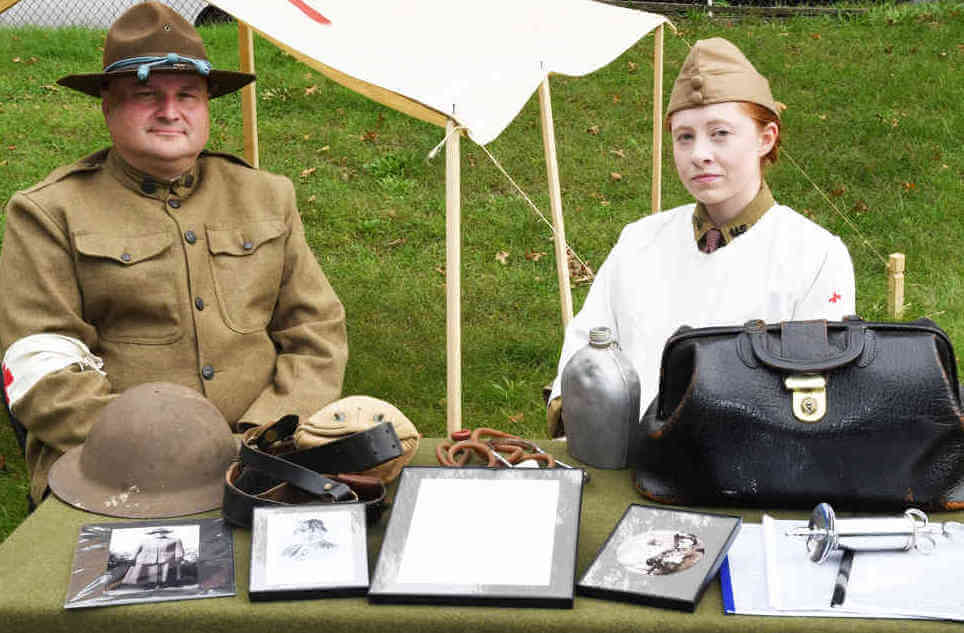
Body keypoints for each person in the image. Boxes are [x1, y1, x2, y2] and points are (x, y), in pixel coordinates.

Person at [0, 2, 347, 507]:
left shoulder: (266, 195)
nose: (170, 111)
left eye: (187, 94)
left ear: (206, 105)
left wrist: (266, 436)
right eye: (146, 95)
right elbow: (39, 367)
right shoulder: (50, 211)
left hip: (266, 453)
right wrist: (159, 450)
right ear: (108, 107)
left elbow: (316, 332)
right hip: (112, 469)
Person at [547, 37, 855, 436]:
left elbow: (816, 395)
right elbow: (586, 349)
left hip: (751, 474)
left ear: (766, 138)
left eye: (720, 133)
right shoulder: (638, 241)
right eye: (685, 136)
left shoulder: (816, 256)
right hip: (624, 462)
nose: (699, 154)